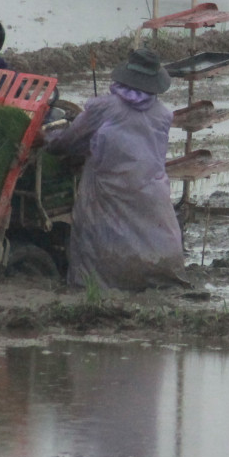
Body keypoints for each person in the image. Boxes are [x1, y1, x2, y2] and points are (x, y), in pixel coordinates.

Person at [44, 47, 185, 291]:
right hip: (151, 191)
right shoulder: (164, 114)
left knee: (97, 238)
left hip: (109, 190)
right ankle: (158, 276)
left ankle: (94, 285)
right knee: (156, 239)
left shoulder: (103, 108)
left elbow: (67, 143)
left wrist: (48, 135)